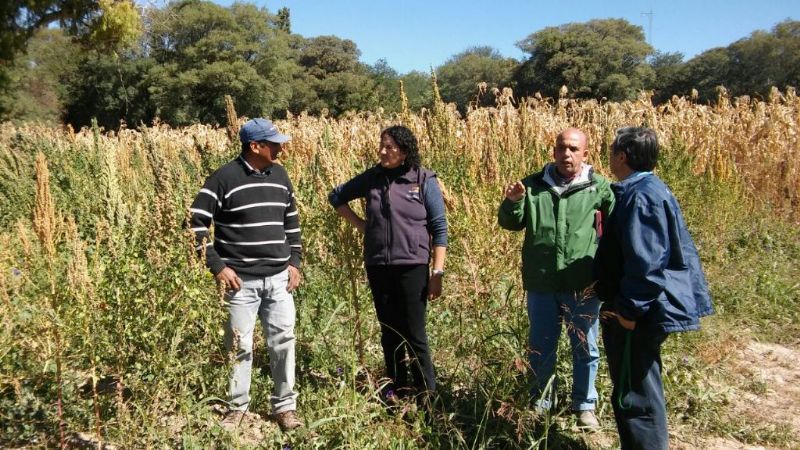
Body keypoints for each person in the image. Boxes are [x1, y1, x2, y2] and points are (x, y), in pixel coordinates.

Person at [594, 126, 714, 449]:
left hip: (639, 312)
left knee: (637, 395)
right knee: (637, 388)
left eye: (612, 152)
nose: (609, 157)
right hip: (641, 308)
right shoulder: (646, 189)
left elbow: (646, 265)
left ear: (622, 156)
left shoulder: (641, 197)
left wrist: (628, 311)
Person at [189, 118, 303, 432]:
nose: (281, 148)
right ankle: (236, 408)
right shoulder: (223, 178)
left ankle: (285, 407)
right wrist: (218, 266)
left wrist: (295, 261)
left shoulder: (280, 176)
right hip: (240, 282)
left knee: (283, 342)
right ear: (255, 146)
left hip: (279, 279)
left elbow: (291, 221)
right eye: (274, 143)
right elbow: (195, 223)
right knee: (239, 346)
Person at [497, 128, 615, 429]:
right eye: (562, 148)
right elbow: (510, 223)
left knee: (585, 347)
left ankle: (584, 405)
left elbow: (617, 227)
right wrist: (513, 202)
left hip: (582, 283)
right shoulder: (532, 186)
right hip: (542, 282)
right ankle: (541, 403)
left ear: (585, 154)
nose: (567, 154)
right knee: (541, 346)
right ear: (553, 151)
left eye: (574, 149)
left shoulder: (599, 187)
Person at [328, 125, 447, 404]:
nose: (382, 152)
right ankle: (396, 391)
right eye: (381, 145)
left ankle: (427, 397)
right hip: (379, 264)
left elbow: (439, 228)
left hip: (413, 265)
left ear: (404, 152)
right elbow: (336, 196)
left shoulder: (423, 179)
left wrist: (437, 272)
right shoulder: (372, 178)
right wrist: (361, 225)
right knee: (389, 331)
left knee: (414, 332)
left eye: (389, 147)